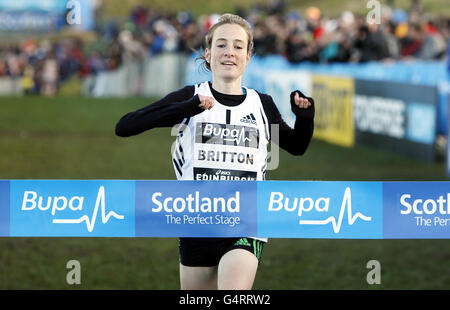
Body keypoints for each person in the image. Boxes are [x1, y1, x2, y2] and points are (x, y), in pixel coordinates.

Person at [115, 13, 315, 290]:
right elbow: (125, 126)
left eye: (237, 46)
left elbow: (297, 146)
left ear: (248, 56)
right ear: (208, 54)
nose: (229, 52)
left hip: (246, 221)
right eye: (221, 45)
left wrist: (304, 118)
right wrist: (185, 109)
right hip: (196, 221)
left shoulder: (262, 104)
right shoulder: (190, 95)